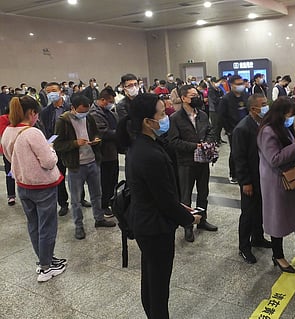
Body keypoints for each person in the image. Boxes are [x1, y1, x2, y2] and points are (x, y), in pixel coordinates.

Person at [123, 93, 201, 319]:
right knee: (158, 285)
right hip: (155, 227)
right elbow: (164, 200)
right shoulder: (150, 154)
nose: (166, 116)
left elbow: (158, 192)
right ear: (148, 122)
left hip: (145, 221)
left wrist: (178, 206)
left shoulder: (140, 144)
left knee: (150, 277)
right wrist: (188, 219)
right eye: (161, 113)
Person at [1, 95, 66, 282]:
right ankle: (47, 268)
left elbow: (7, 156)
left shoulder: (7, 131)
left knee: (33, 225)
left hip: (22, 185)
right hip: (42, 187)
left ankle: (43, 260)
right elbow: (49, 161)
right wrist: (50, 148)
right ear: (31, 113)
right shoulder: (33, 133)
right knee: (47, 226)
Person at [257, 97, 295, 273]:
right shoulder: (267, 131)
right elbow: (274, 159)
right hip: (276, 181)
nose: (291, 118)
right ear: (280, 114)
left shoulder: (283, 127)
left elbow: (291, 148)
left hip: (291, 176)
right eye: (289, 115)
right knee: (278, 218)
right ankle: (278, 255)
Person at [53, 95, 116, 240]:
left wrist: (96, 141)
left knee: (96, 194)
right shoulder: (63, 121)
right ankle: (79, 226)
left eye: (86, 111)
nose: (84, 114)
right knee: (76, 200)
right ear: (73, 108)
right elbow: (58, 144)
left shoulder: (89, 117)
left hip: (93, 161)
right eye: (81, 111)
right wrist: (75, 143)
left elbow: (95, 133)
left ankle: (99, 219)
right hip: (76, 165)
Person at [168, 85, 218, 242]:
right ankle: (187, 225)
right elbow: (174, 141)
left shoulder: (202, 115)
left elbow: (211, 131)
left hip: (202, 161)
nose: (196, 98)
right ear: (183, 98)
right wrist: (194, 146)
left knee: (203, 193)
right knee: (186, 196)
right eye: (192, 96)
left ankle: (202, 220)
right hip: (186, 162)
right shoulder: (175, 118)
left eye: (197, 95)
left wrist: (207, 143)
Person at [232, 94, 272, 264]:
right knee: (248, 213)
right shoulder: (242, 128)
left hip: (262, 175)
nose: (266, 107)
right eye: (263, 105)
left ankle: (258, 237)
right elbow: (239, 158)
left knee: (260, 209)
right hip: (250, 178)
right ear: (253, 109)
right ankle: (244, 246)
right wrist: (245, 182)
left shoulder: (263, 123)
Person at [39, 82, 74, 216]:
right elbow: (46, 130)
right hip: (55, 147)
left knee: (76, 174)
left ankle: (81, 198)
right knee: (59, 177)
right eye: (48, 92)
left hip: (71, 145)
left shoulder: (69, 107)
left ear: (61, 91)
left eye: (53, 90)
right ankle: (63, 203)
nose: (51, 94)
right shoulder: (45, 111)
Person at [89, 87, 119, 218]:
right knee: (104, 182)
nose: (111, 103)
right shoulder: (94, 114)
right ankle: (104, 206)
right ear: (102, 100)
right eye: (110, 101)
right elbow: (104, 133)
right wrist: (119, 133)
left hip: (113, 151)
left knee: (113, 180)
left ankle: (111, 201)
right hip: (103, 153)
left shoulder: (108, 111)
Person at [219, 75, 249, 184]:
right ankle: (233, 174)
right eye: (238, 83)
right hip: (233, 130)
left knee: (246, 151)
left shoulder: (245, 95)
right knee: (235, 153)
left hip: (246, 128)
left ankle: (245, 172)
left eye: (242, 83)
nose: (241, 85)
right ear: (231, 85)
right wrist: (228, 130)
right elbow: (222, 116)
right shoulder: (226, 99)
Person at [0, 111, 16, 205]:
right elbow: (4, 132)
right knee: (9, 172)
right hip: (8, 149)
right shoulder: (3, 118)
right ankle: (11, 195)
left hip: (21, 148)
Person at [207, 77, 226, 144]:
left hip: (219, 109)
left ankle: (219, 139)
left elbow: (222, 95)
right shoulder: (210, 90)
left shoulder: (218, 89)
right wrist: (221, 98)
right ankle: (215, 141)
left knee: (220, 126)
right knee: (215, 127)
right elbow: (215, 100)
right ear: (212, 82)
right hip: (213, 110)